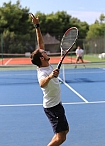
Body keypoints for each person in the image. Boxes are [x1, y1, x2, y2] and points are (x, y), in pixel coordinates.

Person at [29, 14, 69, 146]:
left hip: (57, 105)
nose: (46, 52)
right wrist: (51, 76)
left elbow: (40, 43)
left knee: (64, 132)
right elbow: (42, 83)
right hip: (53, 107)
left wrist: (37, 26)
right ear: (41, 58)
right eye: (44, 53)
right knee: (60, 138)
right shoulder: (43, 71)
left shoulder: (46, 64)